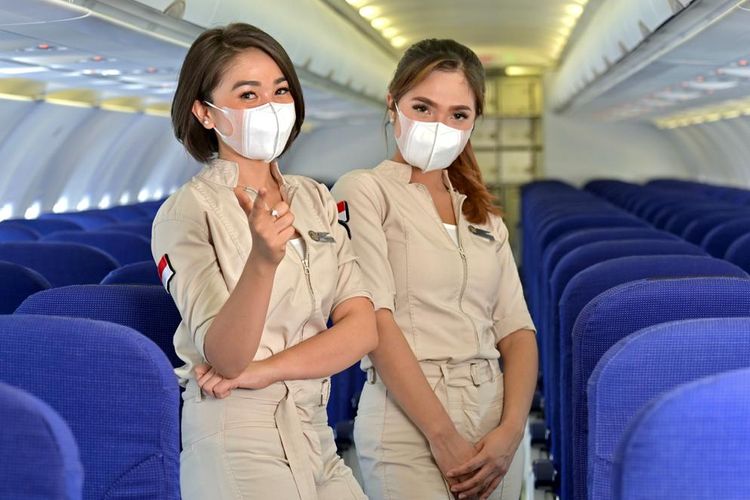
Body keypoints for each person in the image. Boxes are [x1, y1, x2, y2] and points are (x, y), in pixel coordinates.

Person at [152, 23, 376, 500]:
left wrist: (267, 369)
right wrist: (261, 262)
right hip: (236, 431)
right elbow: (227, 358)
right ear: (204, 113)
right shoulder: (188, 211)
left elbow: (361, 330)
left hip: (314, 425)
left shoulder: (314, 198)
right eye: (248, 94)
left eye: (279, 91)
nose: (271, 107)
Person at [331, 38, 538, 500]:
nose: (439, 125)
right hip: (409, 420)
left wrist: (510, 432)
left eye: (457, 114)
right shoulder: (364, 192)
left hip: (494, 419)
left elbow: (518, 331)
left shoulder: (481, 215)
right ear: (393, 104)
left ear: (472, 124)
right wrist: (443, 437)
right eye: (422, 107)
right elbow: (375, 321)